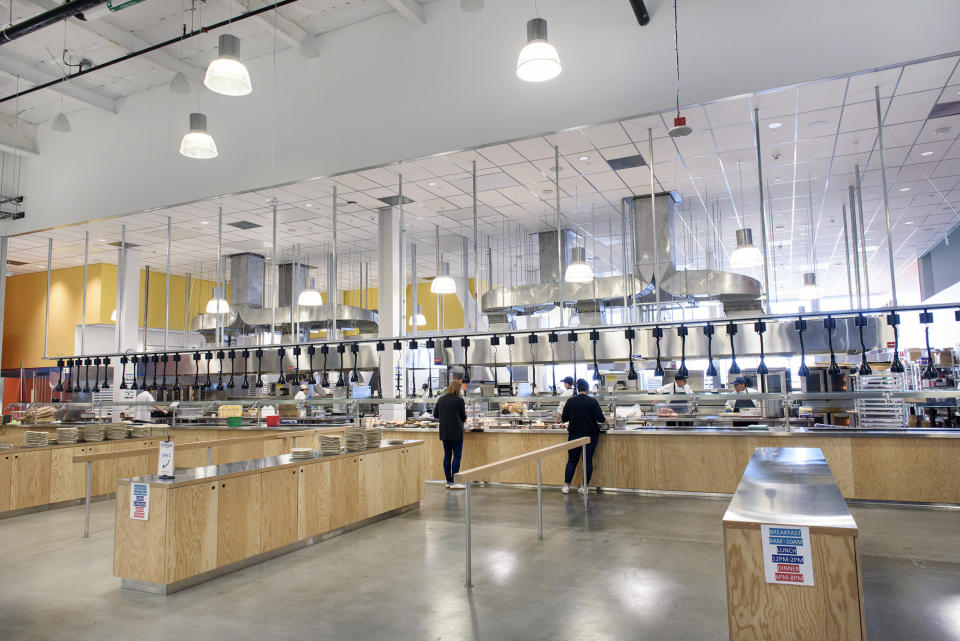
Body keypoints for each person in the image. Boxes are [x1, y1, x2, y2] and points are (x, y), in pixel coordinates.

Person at [560, 378, 606, 495]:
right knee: (587, 460)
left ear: (577, 389)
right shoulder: (592, 401)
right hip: (590, 435)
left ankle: (566, 486)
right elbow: (601, 419)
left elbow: (564, 418)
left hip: (574, 435)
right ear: (587, 389)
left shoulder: (570, 401)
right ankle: (583, 487)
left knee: (572, 460)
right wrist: (608, 421)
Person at [433, 379, 467, 490]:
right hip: (456, 432)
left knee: (447, 455)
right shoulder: (459, 400)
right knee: (457, 456)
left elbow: (435, 415)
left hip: (444, 431)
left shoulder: (441, 399)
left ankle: (448, 481)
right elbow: (463, 417)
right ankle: (455, 482)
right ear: (458, 389)